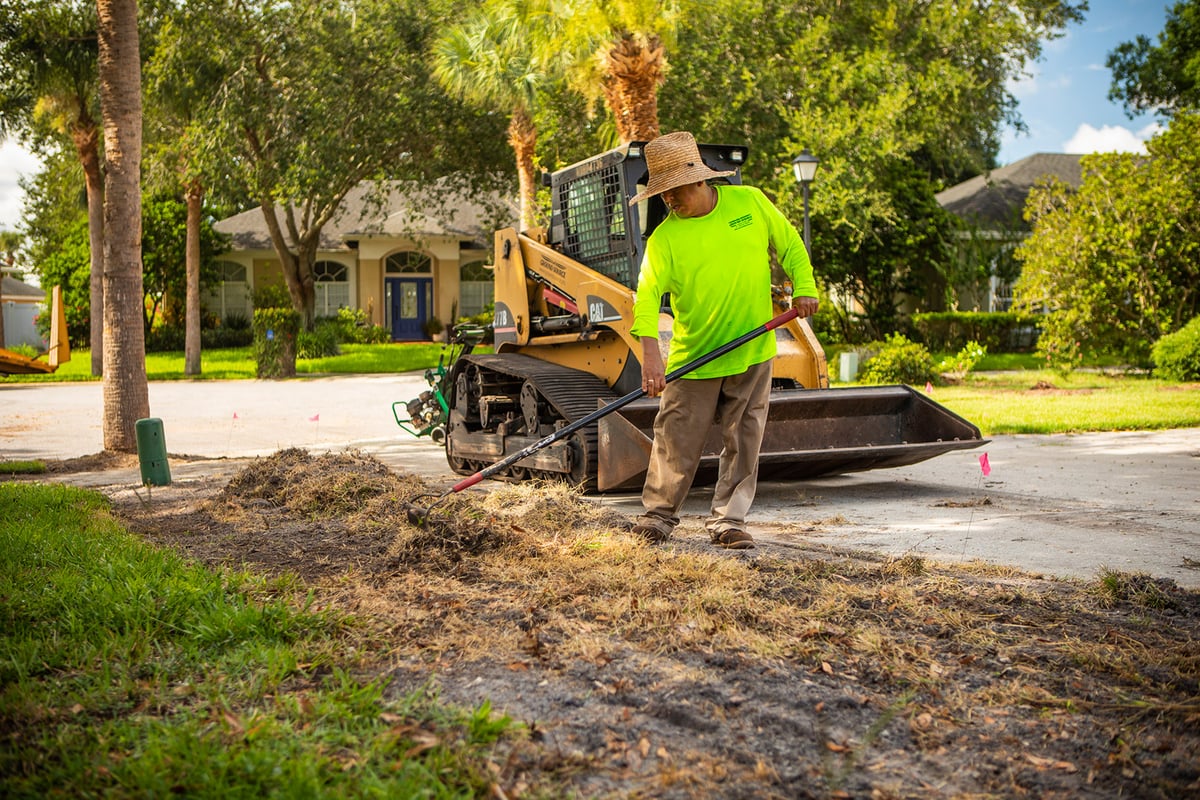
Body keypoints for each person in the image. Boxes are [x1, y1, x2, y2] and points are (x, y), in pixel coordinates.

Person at [628, 131, 819, 549]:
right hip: (694, 358)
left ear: (700, 180)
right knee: (675, 441)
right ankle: (658, 515)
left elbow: (789, 245)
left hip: (752, 352)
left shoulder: (749, 202)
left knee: (744, 441)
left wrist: (804, 286)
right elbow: (645, 299)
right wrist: (650, 356)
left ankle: (728, 521)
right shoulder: (665, 240)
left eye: (675, 191)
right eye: (661, 195)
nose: (669, 201)